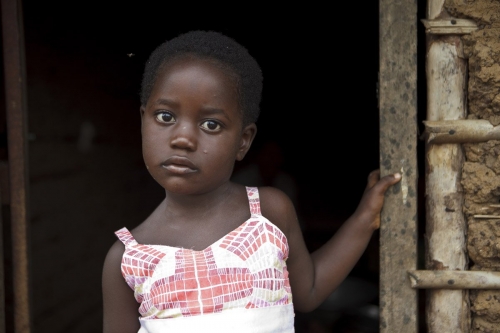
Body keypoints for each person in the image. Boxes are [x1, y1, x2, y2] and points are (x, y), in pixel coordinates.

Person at [101, 30, 401, 333]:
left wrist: (365, 218)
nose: (182, 138)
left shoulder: (268, 212)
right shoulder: (127, 260)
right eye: (165, 117)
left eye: (210, 124)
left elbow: (307, 292)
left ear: (243, 141)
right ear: (143, 121)